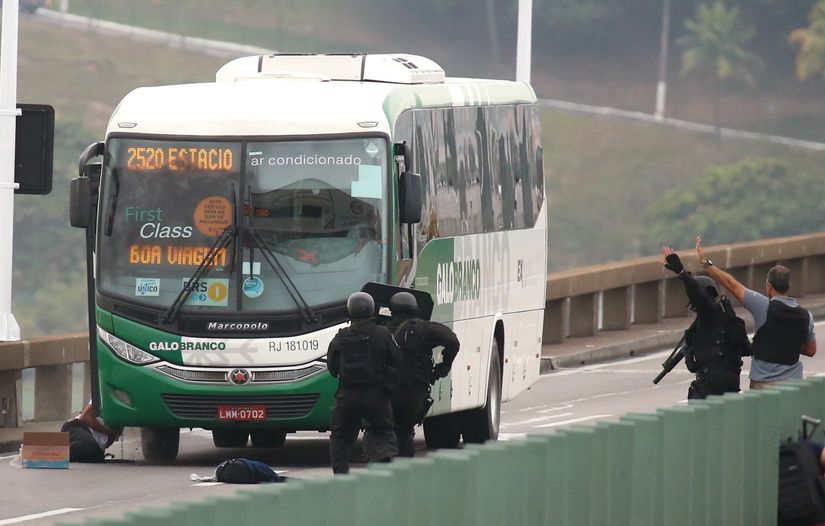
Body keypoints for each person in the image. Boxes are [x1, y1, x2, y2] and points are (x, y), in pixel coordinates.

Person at [696, 236, 816, 389]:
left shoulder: (762, 305)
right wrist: (787, 342)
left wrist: (706, 264)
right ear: (789, 286)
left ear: (768, 285)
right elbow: (811, 350)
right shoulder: (807, 316)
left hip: (763, 383)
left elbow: (732, 285)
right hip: (793, 385)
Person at [326, 291, 400, 474]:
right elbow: (396, 359)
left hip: (347, 396)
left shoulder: (340, 337)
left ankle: (341, 474)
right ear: (372, 310)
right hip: (376, 395)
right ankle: (382, 466)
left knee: (340, 437)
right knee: (383, 431)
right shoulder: (382, 333)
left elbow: (332, 368)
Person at [661, 246, 750, 399]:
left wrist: (682, 273)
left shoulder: (711, 314)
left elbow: (698, 295)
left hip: (712, 387)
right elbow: (746, 349)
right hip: (730, 385)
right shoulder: (726, 316)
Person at [383, 291, 460, 457]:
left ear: (392, 309)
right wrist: (442, 368)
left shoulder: (382, 330)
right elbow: (452, 341)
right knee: (405, 432)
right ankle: (404, 467)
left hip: (388, 390)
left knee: (385, 430)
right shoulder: (425, 328)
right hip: (415, 390)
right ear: (413, 309)